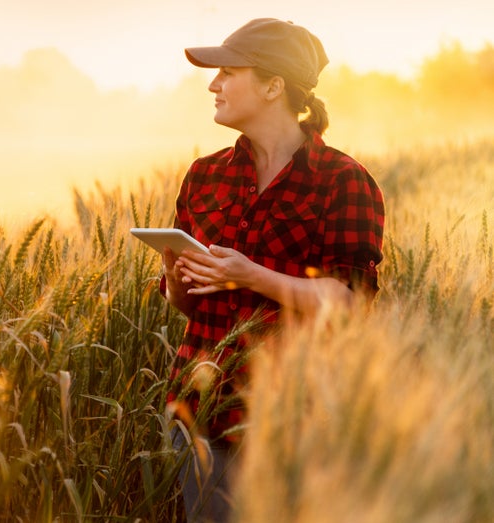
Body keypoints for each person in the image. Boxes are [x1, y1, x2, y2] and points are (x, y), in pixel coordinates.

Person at [160, 18, 385, 522]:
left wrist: (250, 275)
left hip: (295, 420)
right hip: (200, 414)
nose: (213, 84)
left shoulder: (342, 181)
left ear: (272, 85)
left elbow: (351, 303)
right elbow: (187, 305)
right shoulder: (204, 175)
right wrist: (176, 272)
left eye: (226, 71)